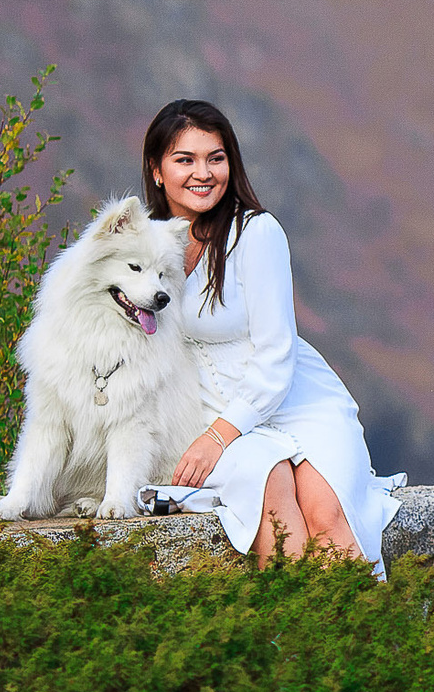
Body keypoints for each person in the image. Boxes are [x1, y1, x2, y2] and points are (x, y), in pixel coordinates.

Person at [143, 98, 403, 567]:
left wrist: (217, 438)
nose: (203, 173)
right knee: (278, 516)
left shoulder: (255, 234)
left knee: (328, 516)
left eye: (215, 158)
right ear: (157, 170)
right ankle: (296, 639)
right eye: (185, 160)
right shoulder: (142, 248)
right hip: (212, 415)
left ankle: (356, 638)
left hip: (295, 402)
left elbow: (277, 357)